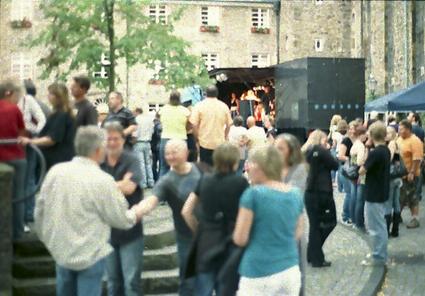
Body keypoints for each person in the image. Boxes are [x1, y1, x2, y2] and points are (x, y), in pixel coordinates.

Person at [34, 126, 145, 296]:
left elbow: (39, 212)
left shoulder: (55, 172)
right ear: (98, 149)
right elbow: (121, 219)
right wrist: (136, 212)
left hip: (62, 253)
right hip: (90, 256)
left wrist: (49, 241)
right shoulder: (102, 180)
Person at [233, 145, 304, 296]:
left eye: (251, 163)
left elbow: (240, 238)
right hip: (290, 269)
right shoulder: (295, 194)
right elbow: (298, 231)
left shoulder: (252, 195)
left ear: (261, 167)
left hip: (258, 270)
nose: (247, 168)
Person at [135, 139, 202, 296]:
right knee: (189, 282)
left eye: (174, 152)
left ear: (186, 153)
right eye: (167, 153)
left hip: (208, 234)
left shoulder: (198, 170)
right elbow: (151, 201)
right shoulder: (167, 181)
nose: (170, 156)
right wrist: (136, 211)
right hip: (186, 237)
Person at [181, 143, 249, 295]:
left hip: (206, 242)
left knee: (203, 290)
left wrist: (198, 230)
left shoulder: (205, 180)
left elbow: (186, 211)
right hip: (231, 243)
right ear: (235, 161)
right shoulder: (241, 183)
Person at [100, 122, 144, 296]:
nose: (111, 142)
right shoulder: (98, 161)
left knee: (131, 283)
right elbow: (92, 189)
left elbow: (130, 188)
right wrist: (120, 183)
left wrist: (104, 185)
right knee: (113, 283)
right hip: (107, 230)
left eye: (115, 138)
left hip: (130, 230)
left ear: (122, 139)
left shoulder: (131, 159)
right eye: (108, 138)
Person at [274, 133, 308, 296]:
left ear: (291, 151)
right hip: (274, 226)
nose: (276, 151)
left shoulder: (299, 169)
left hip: (292, 224)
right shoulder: (274, 168)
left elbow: (293, 195)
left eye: (280, 148)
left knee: (295, 270)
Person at [302, 130, 339, 268]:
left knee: (314, 226)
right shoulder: (320, 151)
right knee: (329, 222)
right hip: (322, 192)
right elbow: (335, 165)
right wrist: (327, 150)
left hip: (310, 192)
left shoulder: (307, 152)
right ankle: (315, 254)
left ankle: (313, 254)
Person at [20, 83, 76, 171]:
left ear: (58, 97)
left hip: (57, 159)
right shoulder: (62, 113)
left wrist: (31, 141)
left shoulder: (61, 115)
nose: (48, 96)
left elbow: (52, 139)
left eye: (51, 93)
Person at [359, 121, 391, 266]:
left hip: (374, 193)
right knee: (380, 225)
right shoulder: (385, 150)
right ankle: (379, 253)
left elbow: (362, 170)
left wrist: (366, 150)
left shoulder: (375, 153)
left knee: (376, 227)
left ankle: (378, 256)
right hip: (381, 191)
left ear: (371, 135)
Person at [0, 80, 27, 239]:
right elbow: (22, 132)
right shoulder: (14, 109)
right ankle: (17, 233)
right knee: (18, 196)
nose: (18, 99)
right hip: (16, 157)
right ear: (9, 93)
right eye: (18, 95)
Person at [18, 80, 46, 230]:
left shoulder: (27, 100)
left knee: (28, 179)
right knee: (21, 180)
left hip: (27, 143)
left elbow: (42, 119)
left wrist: (34, 134)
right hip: (14, 144)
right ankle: (21, 217)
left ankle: (27, 215)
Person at [190, 85, 232, 166]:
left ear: (206, 94)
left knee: (205, 169)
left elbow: (194, 125)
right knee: (219, 169)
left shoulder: (199, 106)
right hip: (219, 143)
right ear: (217, 94)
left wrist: (197, 139)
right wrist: (225, 136)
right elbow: (229, 125)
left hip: (204, 143)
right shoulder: (224, 106)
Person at [397, 120, 423, 229]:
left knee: (413, 197)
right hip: (402, 175)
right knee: (401, 197)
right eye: (399, 129)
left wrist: (412, 172)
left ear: (408, 129)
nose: (399, 131)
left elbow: (417, 158)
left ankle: (415, 219)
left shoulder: (415, 140)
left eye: (401, 129)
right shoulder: (399, 139)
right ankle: (397, 216)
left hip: (412, 175)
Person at [158, 90, 190, 176]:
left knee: (164, 167)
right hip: (181, 139)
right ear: (180, 99)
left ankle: (162, 188)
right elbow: (189, 125)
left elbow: (160, 121)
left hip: (166, 138)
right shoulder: (185, 111)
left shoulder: (163, 109)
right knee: (181, 167)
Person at [338, 121, 358, 225]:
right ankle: (345, 216)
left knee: (354, 195)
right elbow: (340, 156)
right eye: (350, 128)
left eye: (353, 128)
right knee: (349, 194)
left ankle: (352, 216)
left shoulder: (359, 140)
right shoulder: (346, 140)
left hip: (355, 171)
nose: (351, 130)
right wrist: (353, 160)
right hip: (346, 170)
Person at [385, 126, 403, 237]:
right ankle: (395, 230)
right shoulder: (396, 143)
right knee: (396, 203)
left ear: (392, 134)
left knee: (388, 203)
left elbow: (389, 159)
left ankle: (386, 231)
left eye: (387, 133)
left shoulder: (391, 143)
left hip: (391, 178)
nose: (385, 135)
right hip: (397, 177)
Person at [349, 125, 368, 231]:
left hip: (353, 174)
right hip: (360, 174)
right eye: (366, 134)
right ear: (362, 134)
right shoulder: (360, 145)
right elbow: (360, 161)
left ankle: (354, 220)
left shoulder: (355, 143)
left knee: (354, 197)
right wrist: (366, 159)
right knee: (360, 200)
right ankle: (359, 223)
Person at [134, 107, 155, 189]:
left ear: (136, 112)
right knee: (148, 163)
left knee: (141, 163)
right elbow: (152, 131)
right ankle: (151, 181)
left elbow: (135, 133)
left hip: (139, 142)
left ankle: (143, 183)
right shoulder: (149, 120)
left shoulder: (136, 120)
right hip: (148, 142)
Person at [151, 112, 162, 182]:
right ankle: (159, 178)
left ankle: (155, 178)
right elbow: (160, 136)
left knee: (153, 164)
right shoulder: (160, 125)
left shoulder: (152, 124)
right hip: (159, 146)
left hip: (153, 146)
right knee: (161, 164)